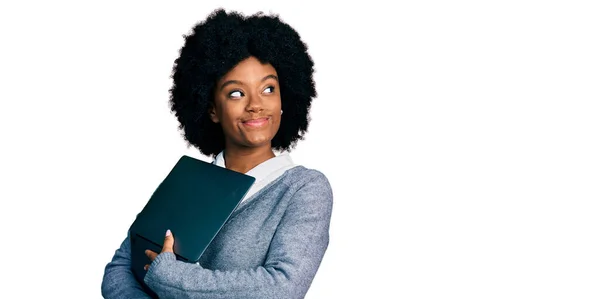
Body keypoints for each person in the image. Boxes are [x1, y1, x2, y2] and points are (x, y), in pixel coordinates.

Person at [101, 8, 333, 299]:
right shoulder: (188, 181)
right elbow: (119, 270)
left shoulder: (304, 189)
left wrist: (168, 276)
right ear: (211, 109)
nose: (256, 105)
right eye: (236, 93)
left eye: (269, 88)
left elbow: (282, 288)